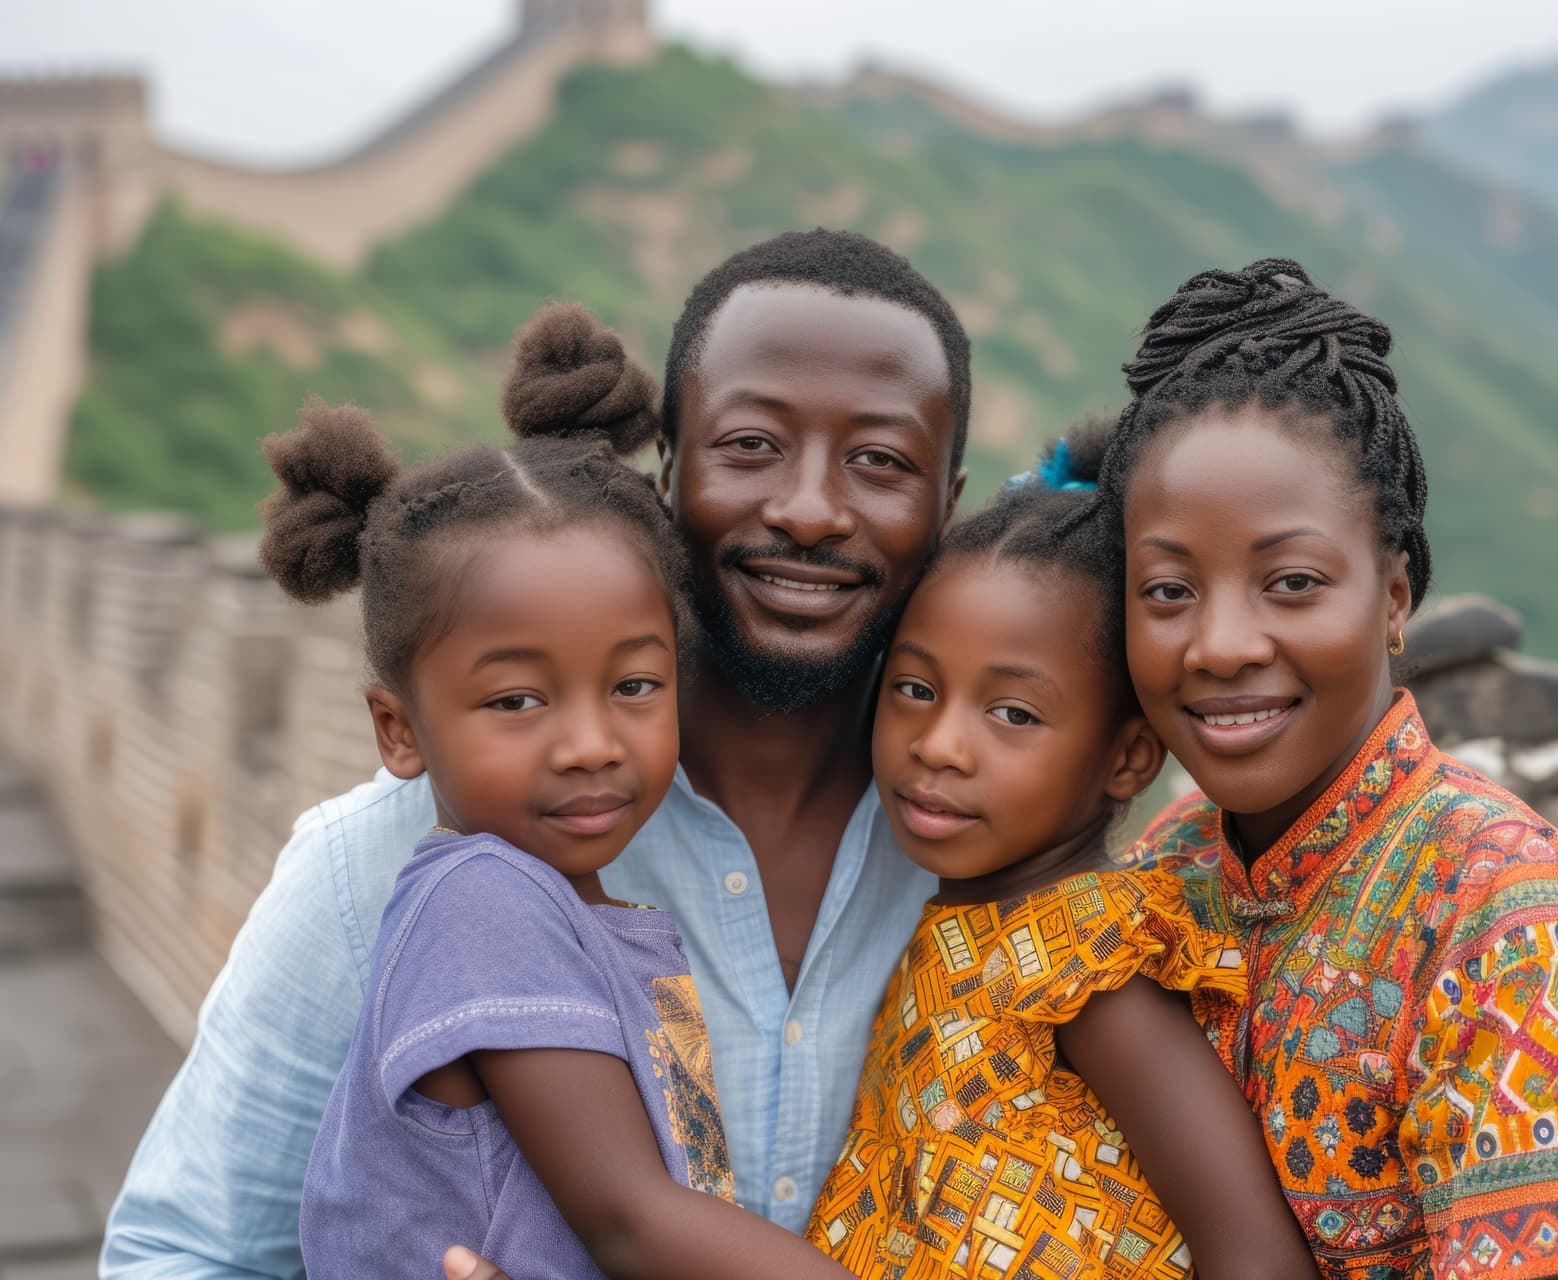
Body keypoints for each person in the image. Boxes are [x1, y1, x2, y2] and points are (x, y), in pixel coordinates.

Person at [102, 229, 970, 1277]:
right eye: (751, 444)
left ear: (949, 504)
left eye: (880, 461)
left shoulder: (998, 850)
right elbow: (173, 1253)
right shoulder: (382, 860)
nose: (809, 509)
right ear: (670, 470)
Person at [1098, 260, 1558, 1279]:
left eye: (1292, 582)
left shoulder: (1519, 935)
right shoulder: (1165, 871)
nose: (1221, 645)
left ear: (1393, 597)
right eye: (1167, 590)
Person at [268, 305, 858, 1280]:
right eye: (516, 700)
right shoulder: (484, 901)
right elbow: (632, 1219)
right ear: (399, 730)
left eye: (634, 685)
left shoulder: (575, 911)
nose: (590, 745)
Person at [804, 424, 1317, 1280]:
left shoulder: (1089, 965)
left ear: (1127, 759)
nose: (938, 745)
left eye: (1013, 714)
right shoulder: (951, 926)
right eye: (916, 689)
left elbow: (1257, 1257)